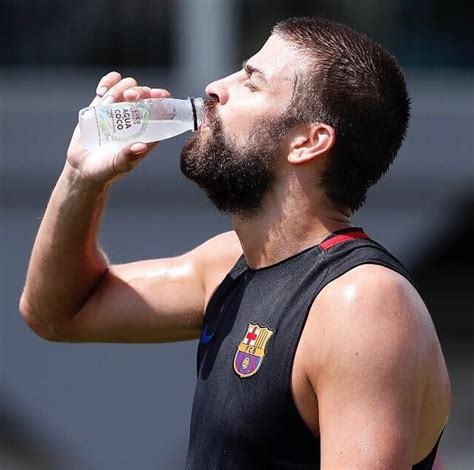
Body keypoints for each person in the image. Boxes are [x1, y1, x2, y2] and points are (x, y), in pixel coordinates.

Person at [20, 16, 450, 469]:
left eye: (251, 82)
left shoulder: (362, 304)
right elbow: (57, 313)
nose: (213, 87)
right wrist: (81, 179)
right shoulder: (231, 262)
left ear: (307, 142)